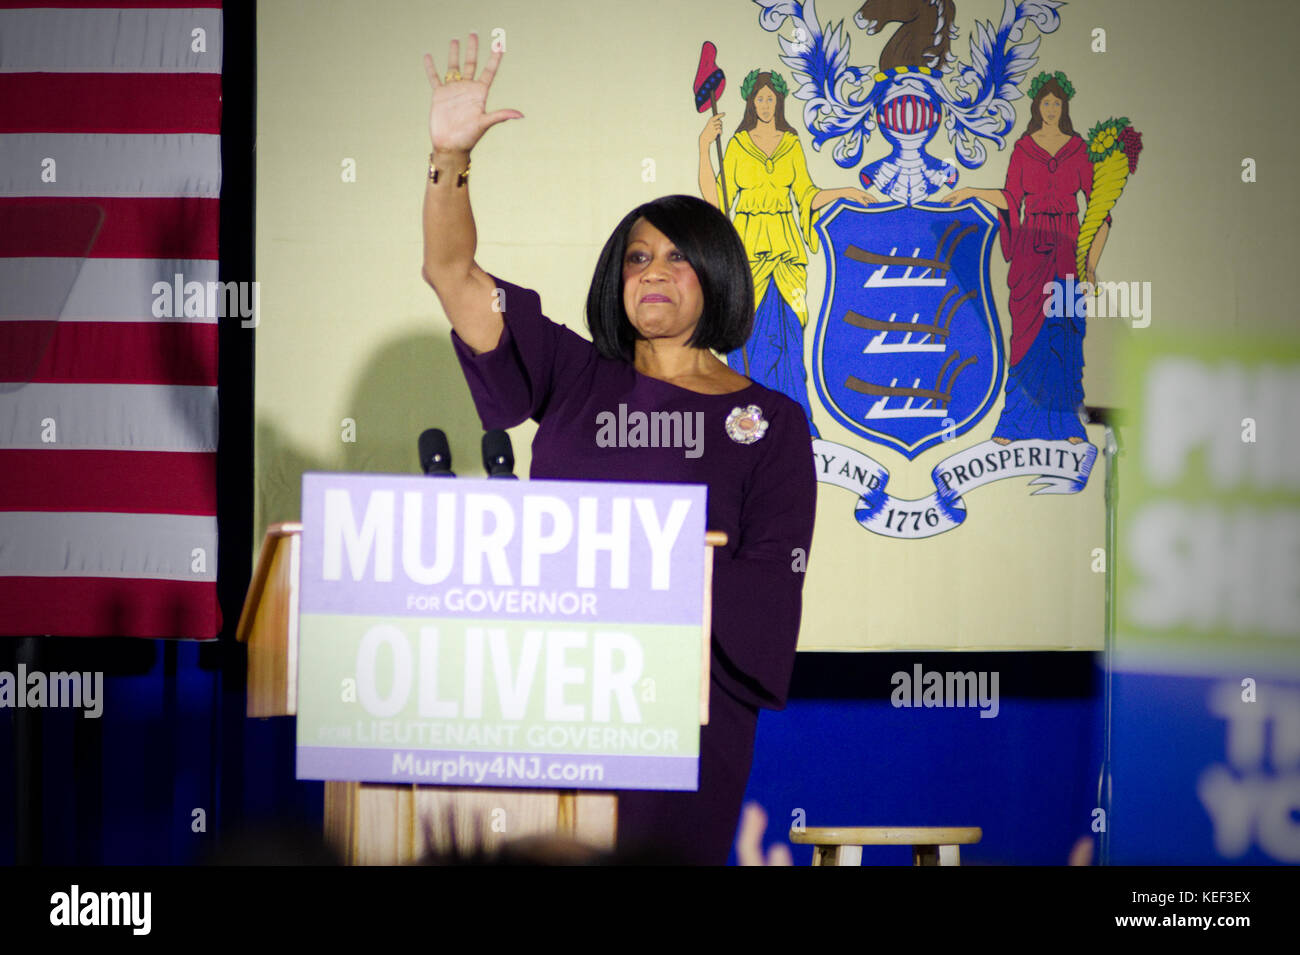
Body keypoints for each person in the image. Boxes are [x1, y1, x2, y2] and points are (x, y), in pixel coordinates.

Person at [421, 35, 817, 865]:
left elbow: (770, 578)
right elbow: (453, 272)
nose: (653, 271)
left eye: (677, 256)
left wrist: (655, 565)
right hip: (555, 691)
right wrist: (449, 158)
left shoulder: (771, 422)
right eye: (637, 256)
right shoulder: (573, 374)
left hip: (688, 711)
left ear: (716, 276)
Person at [697, 70, 880, 439]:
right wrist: (704, 146)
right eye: (759, 99)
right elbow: (717, 198)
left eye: (771, 98)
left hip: (786, 256)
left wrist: (843, 191)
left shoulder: (791, 145)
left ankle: (796, 424)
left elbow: (806, 194)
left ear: (779, 102)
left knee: (790, 345)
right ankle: (749, 422)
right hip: (749, 258)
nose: (766, 105)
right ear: (751, 103)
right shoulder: (736, 146)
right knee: (750, 342)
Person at [944, 72, 1108, 444]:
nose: (1051, 110)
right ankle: (1016, 420)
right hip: (1032, 254)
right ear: (1037, 107)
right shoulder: (1024, 149)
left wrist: (1091, 264)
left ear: (1064, 108)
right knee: (1026, 334)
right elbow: (1010, 198)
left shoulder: (1078, 150)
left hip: (1067, 250)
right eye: (1046, 103)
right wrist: (972, 191)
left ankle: (1067, 423)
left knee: (1065, 335)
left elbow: (1099, 212)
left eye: (1057, 104)